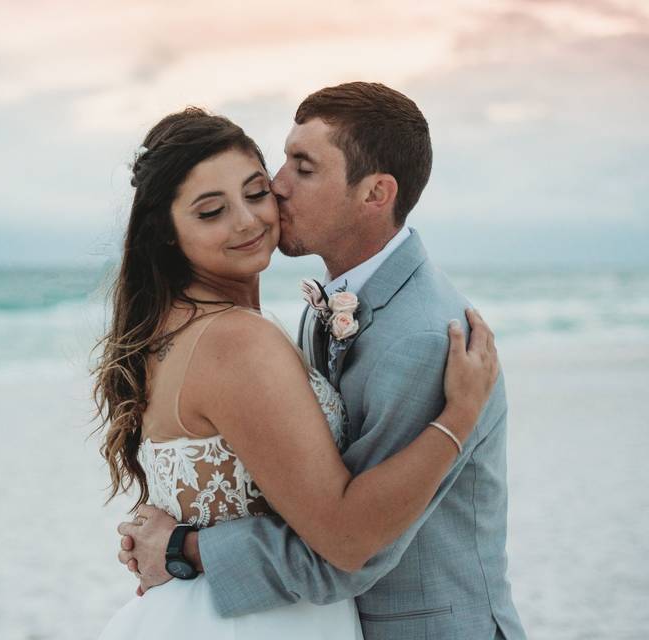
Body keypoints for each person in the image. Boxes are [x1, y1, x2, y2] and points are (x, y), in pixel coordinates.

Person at [95, 94, 512, 639]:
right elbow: (335, 527)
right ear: (167, 230)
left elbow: (349, 546)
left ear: (375, 193)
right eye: (212, 210)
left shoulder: (422, 338)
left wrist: (184, 547)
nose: (275, 191)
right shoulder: (248, 335)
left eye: (298, 169)